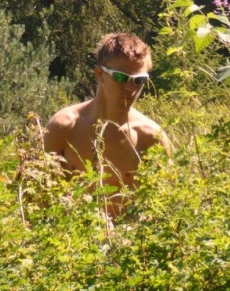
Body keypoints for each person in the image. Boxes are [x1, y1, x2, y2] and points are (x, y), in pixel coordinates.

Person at [43, 32, 171, 215]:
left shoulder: (150, 137)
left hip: (130, 240)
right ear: (100, 74)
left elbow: (166, 207)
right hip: (70, 239)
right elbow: (37, 199)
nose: (130, 88)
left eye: (139, 81)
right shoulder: (64, 126)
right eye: (121, 77)